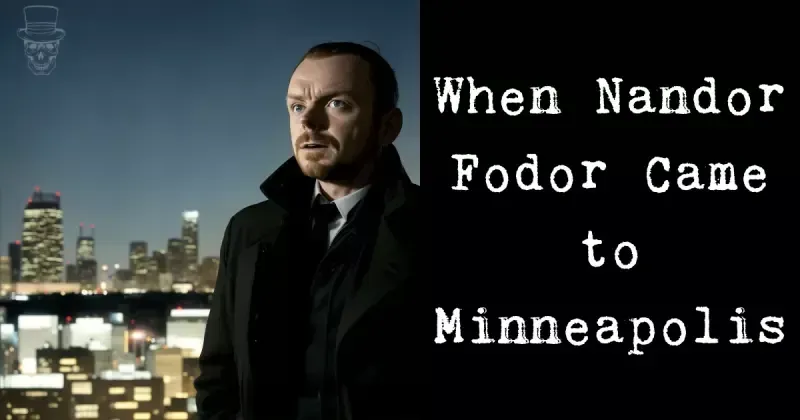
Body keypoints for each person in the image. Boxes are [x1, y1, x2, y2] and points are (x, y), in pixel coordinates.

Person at [194, 42, 426, 420]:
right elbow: (218, 375)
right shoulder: (249, 230)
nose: (309, 122)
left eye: (338, 104)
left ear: (387, 127)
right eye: (298, 106)